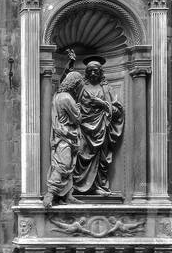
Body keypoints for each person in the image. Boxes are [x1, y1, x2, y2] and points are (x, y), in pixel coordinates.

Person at [72, 56, 125, 196]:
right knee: (80, 155)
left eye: (95, 70)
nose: (93, 73)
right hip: (83, 128)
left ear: (100, 72)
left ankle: (100, 186)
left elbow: (118, 111)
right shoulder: (81, 88)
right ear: (86, 73)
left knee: (102, 159)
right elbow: (67, 96)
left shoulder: (106, 89)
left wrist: (103, 104)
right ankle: (79, 186)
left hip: (101, 128)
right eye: (90, 71)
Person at [44, 70, 84, 208]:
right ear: (75, 84)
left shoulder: (58, 96)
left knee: (69, 164)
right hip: (66, 135)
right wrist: (78, 109)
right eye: (79, 85)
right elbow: (77, 118)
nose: (80, 88)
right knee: (63, 164)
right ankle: (50, 194)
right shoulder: (67, 98)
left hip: (64, 135)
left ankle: (67, 195)